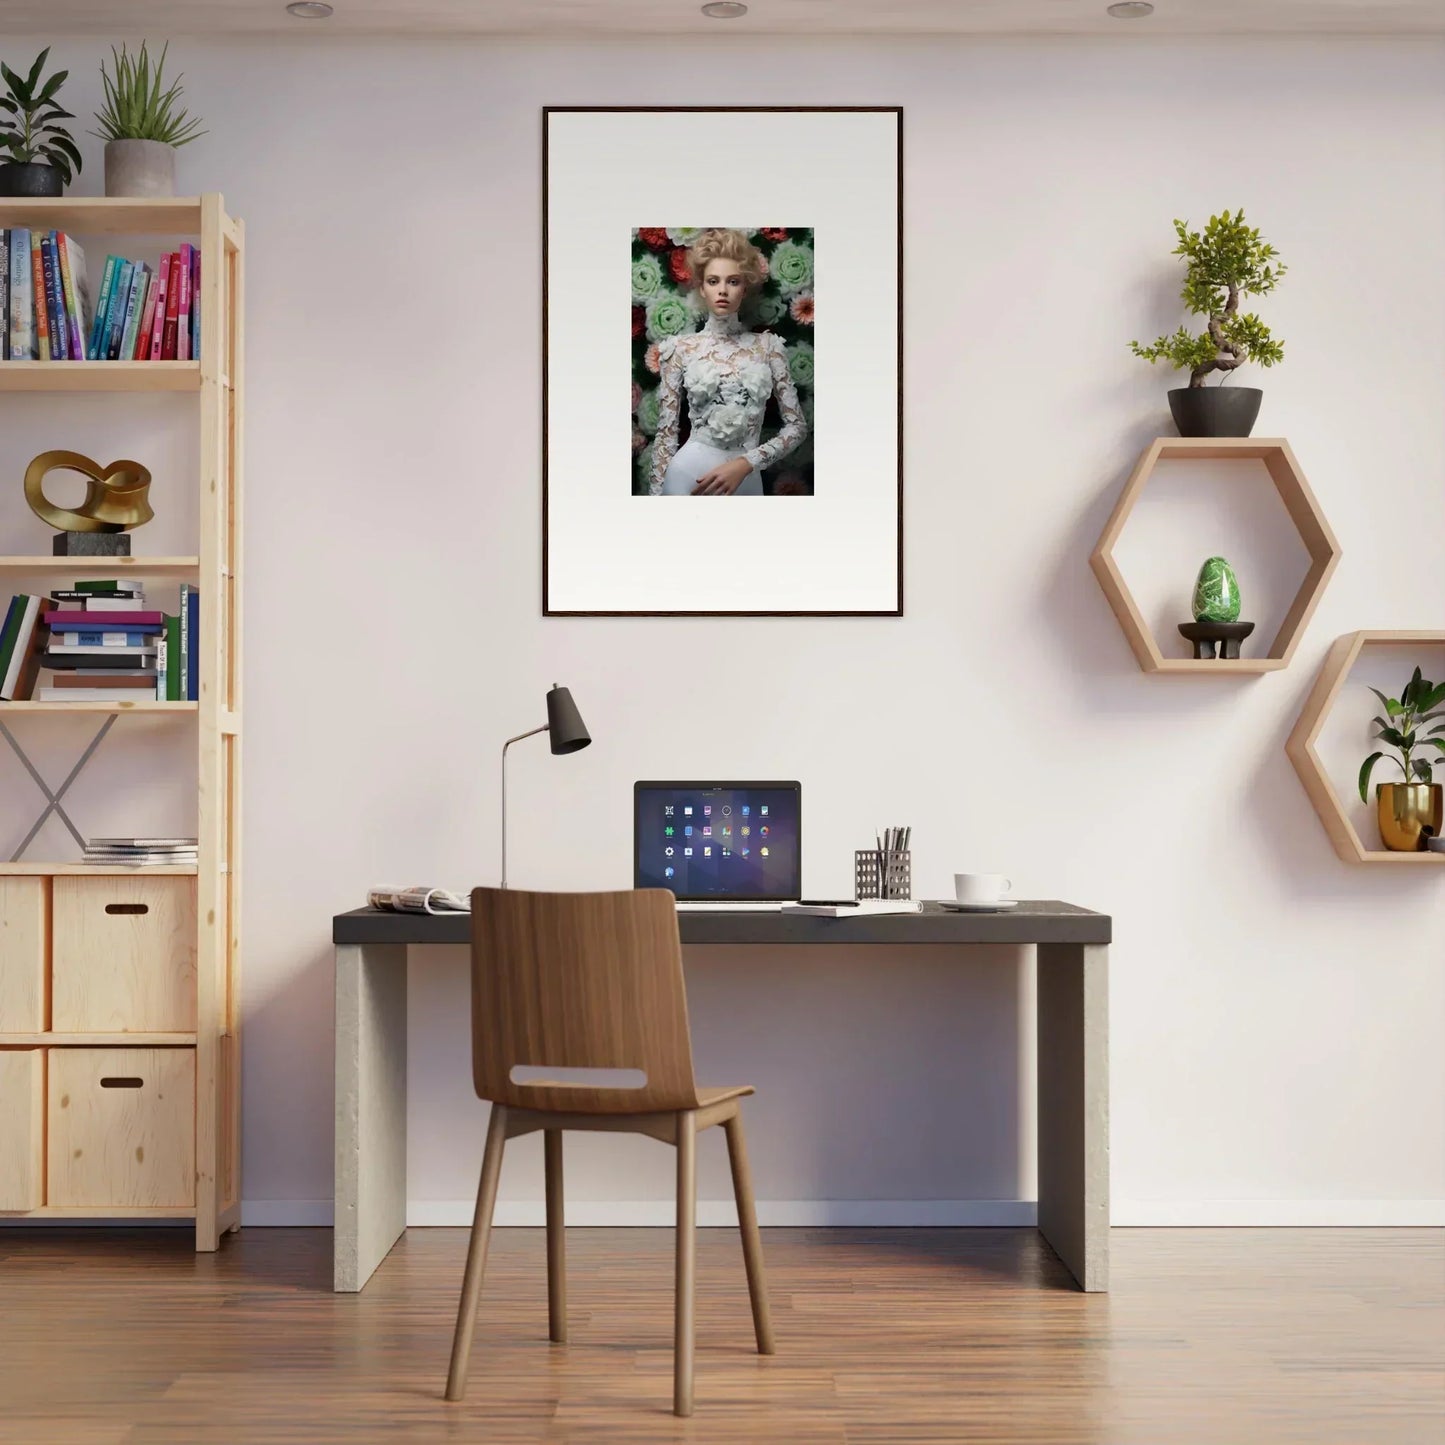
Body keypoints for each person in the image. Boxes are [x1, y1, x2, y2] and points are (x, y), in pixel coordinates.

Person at [649, 229, 808, 497]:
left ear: (744, 288)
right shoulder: (680, 348)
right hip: (686, 478)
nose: (722, 290)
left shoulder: (768, 347)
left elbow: (797, 428)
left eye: (733, 281)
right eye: (713, 281)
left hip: (745, 480)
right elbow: (665, 438)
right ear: (702, 287)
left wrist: (746, 463)